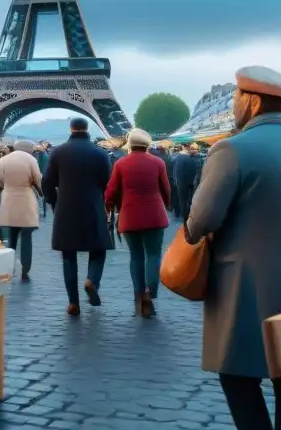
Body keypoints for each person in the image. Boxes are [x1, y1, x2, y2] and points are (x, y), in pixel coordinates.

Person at [186, 66, 281, 430]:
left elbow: (200, 222)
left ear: (252, 101)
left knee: (238, 376)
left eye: (237, 97)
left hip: (245, 284)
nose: (234, 104)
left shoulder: (231, 150)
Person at [42, 117, 113, 317]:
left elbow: (47, 181)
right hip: (93, 206)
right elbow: (107, 182)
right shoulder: (100, 153)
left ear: (71, 128)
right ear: (87, 128)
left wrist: (54, 201)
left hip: (66, 208)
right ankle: (92, 280)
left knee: (68, 255)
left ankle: (73, 302)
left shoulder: (58, 152)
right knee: (99, 250)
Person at [106, 127, 170, 317]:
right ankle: (150, 292)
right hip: (154, 215)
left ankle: (139, 295)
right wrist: (165, 205)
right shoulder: (158, 162)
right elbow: (166, 189)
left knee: (135, 257)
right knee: (153, 255)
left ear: (130, 145)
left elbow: (111, 191)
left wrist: (109, 207)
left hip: (130, 215)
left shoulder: (121, 164)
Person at [0, 140, 42, 281]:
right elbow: (37, 179)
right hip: (26, 198)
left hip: (8, 198)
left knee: (11, 237)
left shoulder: (3, 160)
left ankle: (10, 267)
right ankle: (25, 269)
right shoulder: (31, 160)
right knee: (27, 237)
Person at [173, 144, 202, 224]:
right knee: (189, 199)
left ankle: (185, 216)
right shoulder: (191, 158)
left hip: (182, 183)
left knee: (182, 200)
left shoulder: (178, 158)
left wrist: (177, 183)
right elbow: (194, 171)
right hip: (191, 183)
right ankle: (190, 214)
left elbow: (177, 172)